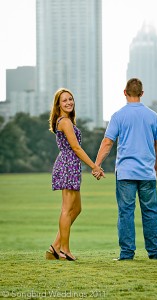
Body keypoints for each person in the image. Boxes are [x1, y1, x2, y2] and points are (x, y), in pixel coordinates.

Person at [93, 78, 157, 260]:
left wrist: (97, 165)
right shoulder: (153, 116)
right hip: (147, 173)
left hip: (125, 173)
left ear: (124, 92)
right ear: (142, 93)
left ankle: (126, 254)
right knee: (150, 212)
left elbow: (108, 142)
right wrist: (155, 168)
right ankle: (155, 254)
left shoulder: (118, 116)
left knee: (125, 213)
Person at [46, 88, 104, 261]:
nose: (69, 102)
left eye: (70, 99)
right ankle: (64, 250)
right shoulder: (64, 122)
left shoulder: (66, 121)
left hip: (71, 165)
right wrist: (95, 166)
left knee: (76, 209)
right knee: (66, 208)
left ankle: (55, 247)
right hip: (68, 165)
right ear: (58, 105)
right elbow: (76, 148)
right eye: (64, 100)